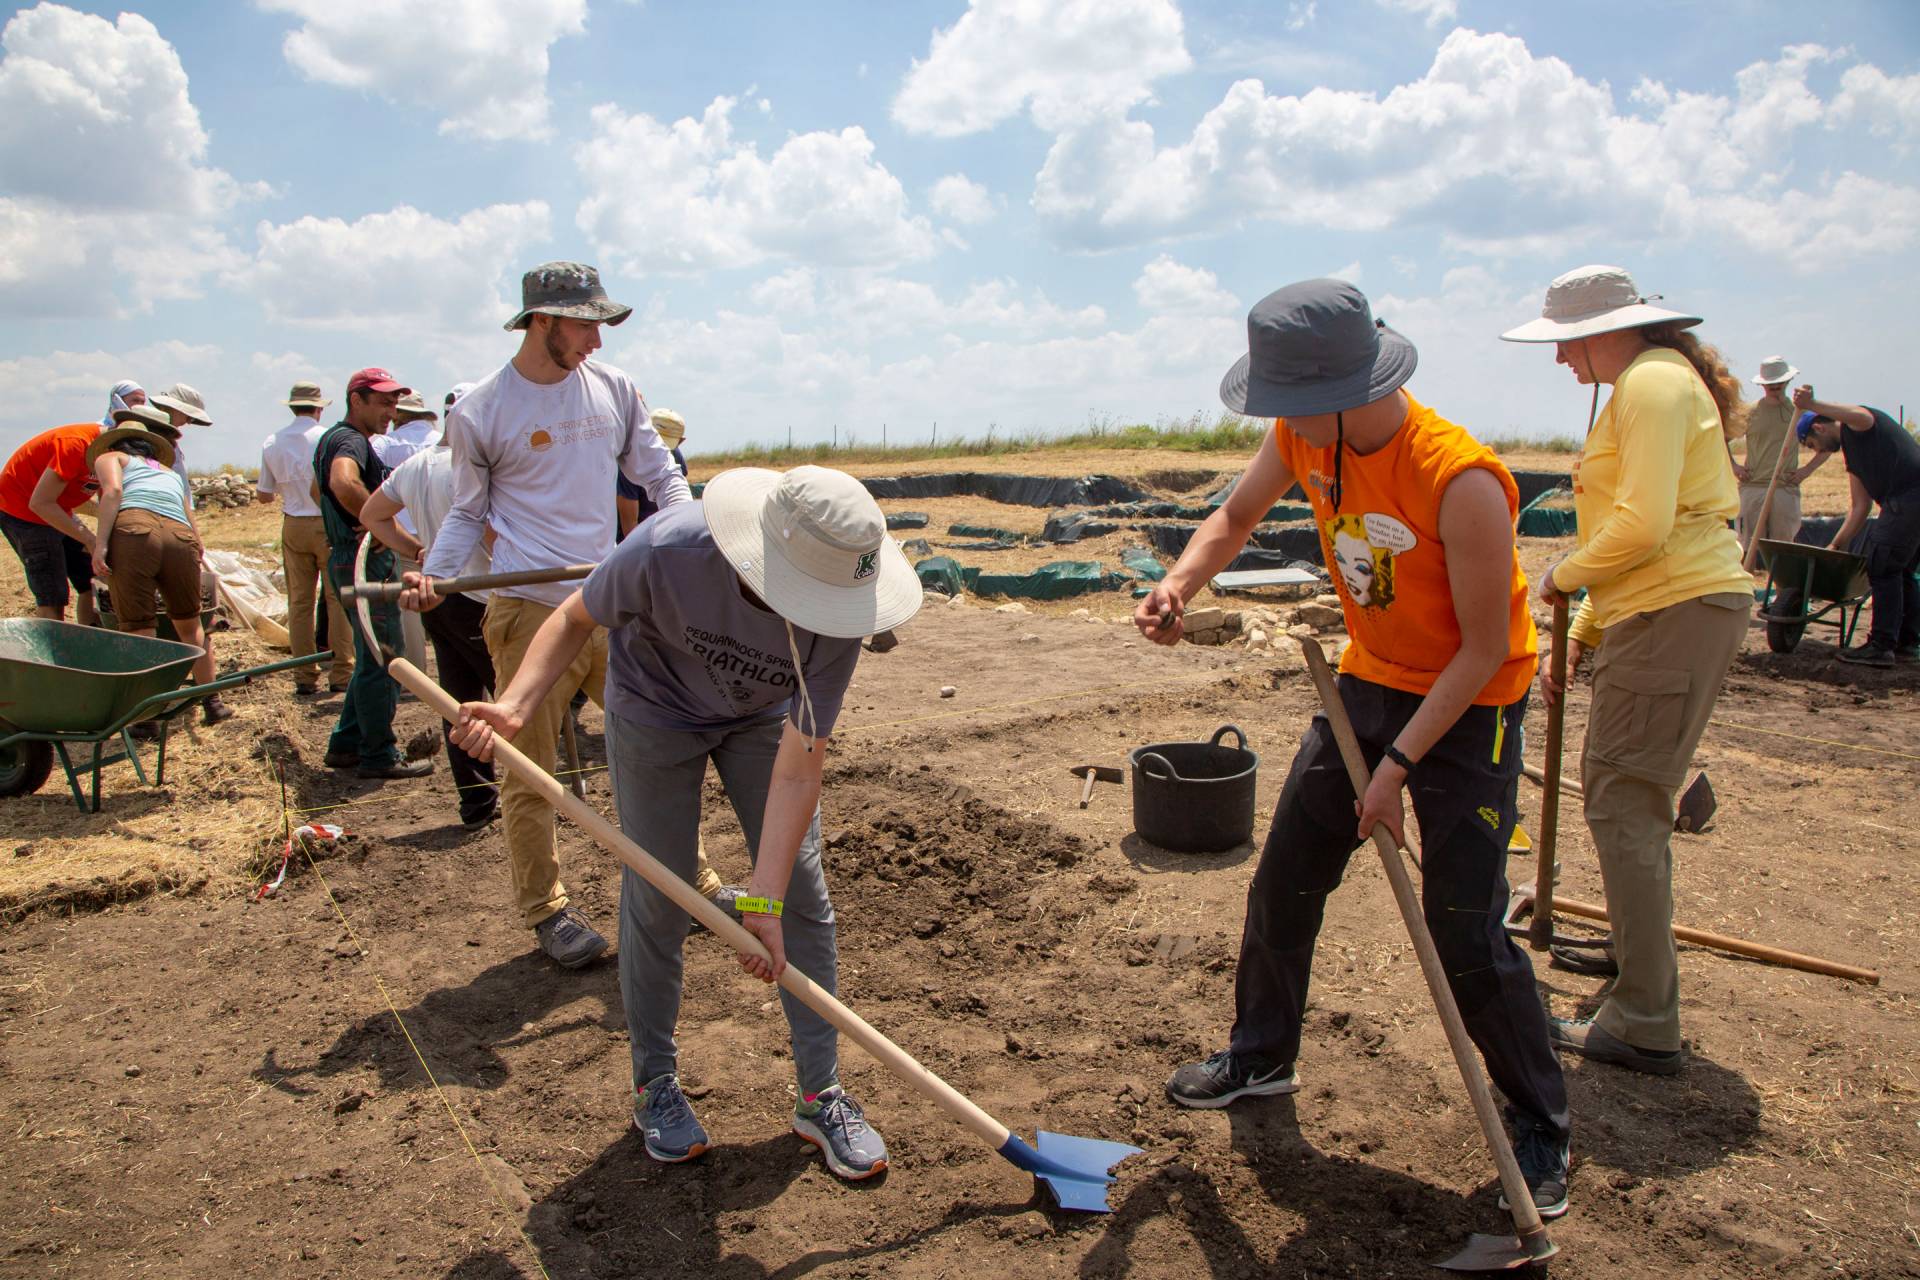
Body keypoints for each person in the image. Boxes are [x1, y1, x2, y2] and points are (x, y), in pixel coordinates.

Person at [1139, 279, 1571, 1219]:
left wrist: (1400, 766)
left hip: (1469, 706)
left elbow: (1485, 649)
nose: (1281, 420)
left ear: (1349, 383)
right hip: (1367, 680)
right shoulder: (1304, 433)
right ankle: (1262, 1056)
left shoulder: (1461, 480)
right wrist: (1180, 585)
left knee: (1464, 926)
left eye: (1291, 400)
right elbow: (1236, 517)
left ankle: (1540, 1125)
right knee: (1287, 873)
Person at [448, 465, 919, 1181]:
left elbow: (798, 769)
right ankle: (654, 1083)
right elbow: (576, 615)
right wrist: (515, 705)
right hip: (654, 710)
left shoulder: (837, 617)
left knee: (801, 892)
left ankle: (820, 1094)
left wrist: (761, 901)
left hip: (762, 720)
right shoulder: (669, 548)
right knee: (659, 892)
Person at [403, 261, 691, 970]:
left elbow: (660, 474)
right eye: (587, 324)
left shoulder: (614, 389)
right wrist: (437, 575)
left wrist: (691, 537)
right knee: (527, 768)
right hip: (528, 610)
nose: (597, 340)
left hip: (609, 602)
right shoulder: (481, 410)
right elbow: (469, 512)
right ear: (544, 321)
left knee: (661, 745)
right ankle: (547, 910)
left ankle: (693, 882)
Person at [1501, 264, 1753, 1075]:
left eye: (1567, 344)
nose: (1560, 361)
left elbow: (1640, 529)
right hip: (1657, 605)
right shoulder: (1653, 382)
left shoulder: (1649, 384)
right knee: (1620, 789)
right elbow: (1639, 526)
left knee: (1621, 799)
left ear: (1604, 331)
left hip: (1672, 606)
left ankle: (1645, 1018)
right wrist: (1587, 629)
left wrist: (1563, 577)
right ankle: (1630, 952)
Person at [359, 385, 500, 828]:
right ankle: (534, 790)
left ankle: (476, 801)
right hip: (479, 594)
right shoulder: (469, 468)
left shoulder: (416, 465)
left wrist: (417, 549)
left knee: (456, 698)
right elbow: (490, 533)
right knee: (515, 694)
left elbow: (372, 515)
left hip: (436, 596)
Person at [314, 367, 433, 781]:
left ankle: (346, 744)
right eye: (382, 401)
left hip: (352, 555)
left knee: (370, 655)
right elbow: (341, 483)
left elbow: (320, 491)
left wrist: (406, 546)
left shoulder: (337, 439)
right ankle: (379, 755)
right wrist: (369, 518)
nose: (391, 410)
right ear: (356, 400)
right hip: (360, 560)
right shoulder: (350, 441)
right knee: (384, 657)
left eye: (394, 402)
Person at [88, 407, 232, 724]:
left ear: (115, 442)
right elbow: (189, 518)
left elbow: (113, 491)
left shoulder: (110, 459)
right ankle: (212, 702)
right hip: (181, 536)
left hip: (135, 533)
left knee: (140, 627)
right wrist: (195, 548)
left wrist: (100, 545)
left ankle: (146, 715)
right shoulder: (168, 473)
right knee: (190, 622)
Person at [1792, 387, 1920, 666]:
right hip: (1906, 504)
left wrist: (1812, 403)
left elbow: (1859, 414)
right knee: (1903, 570)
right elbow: (1860, 507)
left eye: (1813, 445)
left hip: (1910, 497)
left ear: (1819, 428)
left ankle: (1881, 646)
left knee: (1882, 564)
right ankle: (1907, 643)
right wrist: (1836, 544)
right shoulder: (1853, 455)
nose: (1819, 451)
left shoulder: (1859, 425)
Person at [258, 381, 353, 696]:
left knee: (299, 602)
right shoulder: (326, 438)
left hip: (293, 522)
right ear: (319, 408)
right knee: (337, 599)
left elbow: (263, 495)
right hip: (326, 520)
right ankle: (341, 672)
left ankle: (304, 674)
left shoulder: (272, 441)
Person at [0, 420, 104, 625]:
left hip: (54, 508)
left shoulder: (111, 453)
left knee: (92, 581)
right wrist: (90, 540)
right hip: (24, 513)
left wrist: (104, 514)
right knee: (53, 594)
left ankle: (88, 644)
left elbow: (68, 494)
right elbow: (40, 503)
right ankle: (54, 652)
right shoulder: (75, 445)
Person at [371, 392, 440, 672]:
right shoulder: (439, 442)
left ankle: (415, 672)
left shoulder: (385, 444)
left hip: (403, 535)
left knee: (410, 603)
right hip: (441, 531)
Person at [1733, 356, 1829, 549]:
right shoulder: (1749, 412)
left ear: (1787, 381)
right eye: (1771, 383)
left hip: (1784, 488)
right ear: (1763, 384)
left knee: (1784, 549)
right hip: (1754, 488)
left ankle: (1780, 580)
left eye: (1778, 382)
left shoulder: (1800, 412)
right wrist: (1734, 466)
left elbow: (1828, 443)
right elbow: (1721, 439)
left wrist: (1806, 470)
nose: (1775, 386)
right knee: (1745, 547)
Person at [618, 407, 689, 539]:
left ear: (680, 441)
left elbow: (680, 510)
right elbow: (629, 524)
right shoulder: (628, 465)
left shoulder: (676, 457)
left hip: (663, 534)